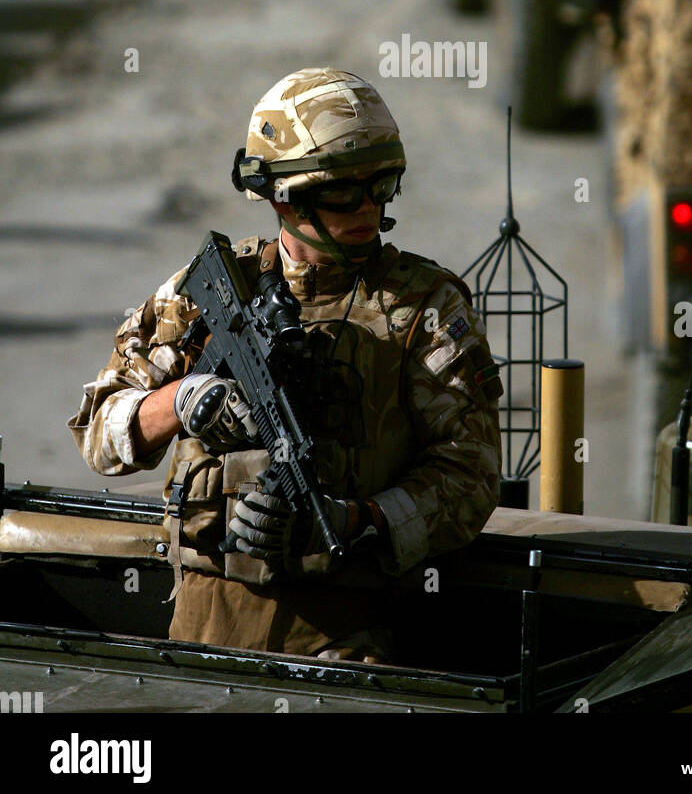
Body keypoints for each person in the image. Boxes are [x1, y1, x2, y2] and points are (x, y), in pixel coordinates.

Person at [68, 69, 503, 663]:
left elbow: (470, 475)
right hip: (202, 625)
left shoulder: (422, 307)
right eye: (341, 191)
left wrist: (352, 520)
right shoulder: (209, 294)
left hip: (347, 635)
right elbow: (99, 435)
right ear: (282, 196)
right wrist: (184, 400)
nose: (366, 207)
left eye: (382, 184)